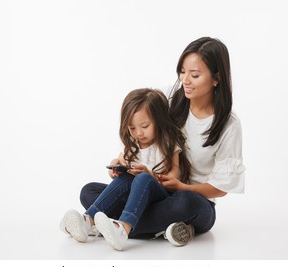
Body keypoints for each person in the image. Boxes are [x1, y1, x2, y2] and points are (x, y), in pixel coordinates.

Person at [78, 37, 245, 248]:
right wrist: (122, 161)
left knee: (184, 201)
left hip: (191, 202)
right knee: (89, 191)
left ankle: (119, 225)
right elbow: (137, 128)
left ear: (216, 77)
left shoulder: (228, 125)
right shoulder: (167, 98)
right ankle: (157, 228)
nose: (185, 80)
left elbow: (221, 188)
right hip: (151, 193)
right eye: (182, 72)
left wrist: (182, 186)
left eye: (194, 75)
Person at [60, 88, 191, 250]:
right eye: (132, 128)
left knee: (141, 179)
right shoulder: (132, 144)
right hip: (133, 200)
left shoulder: (168, 143)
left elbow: (173, 178)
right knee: (89, 190)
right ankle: (88, 221)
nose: (138, 133)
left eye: (144, 126)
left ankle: (123, 228)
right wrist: (115, 167)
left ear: (159, 120)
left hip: (158, 199)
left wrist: (149, 174)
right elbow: (121, 162)